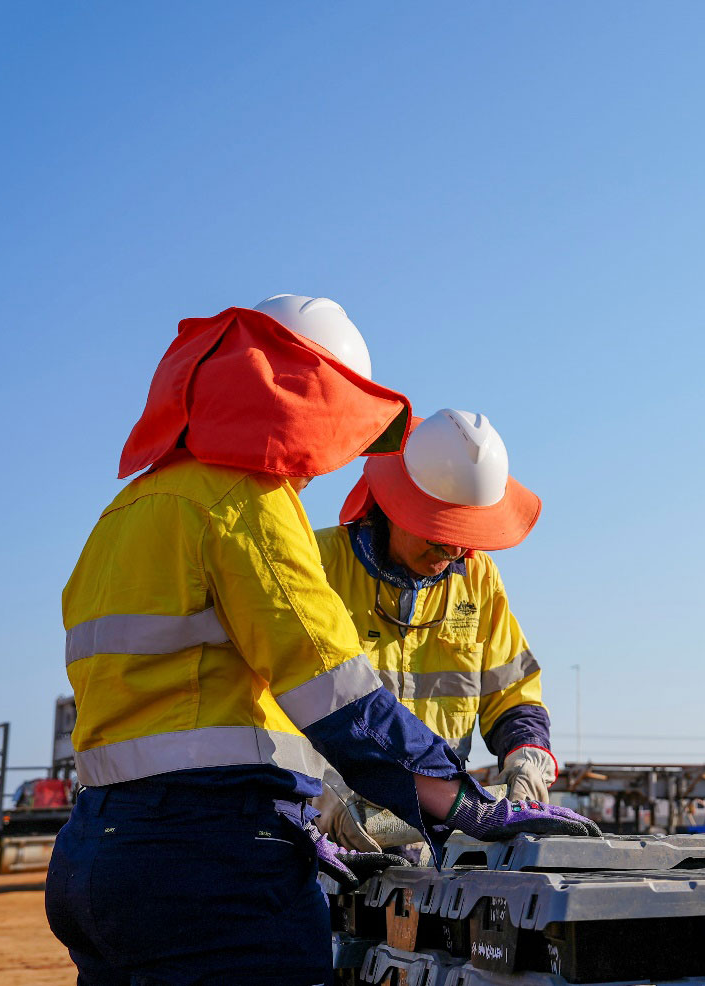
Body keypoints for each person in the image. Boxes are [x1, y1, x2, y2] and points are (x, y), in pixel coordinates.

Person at [50, 296, 598, 986]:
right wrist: (466, 807)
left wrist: (517, 761)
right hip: (210, 857)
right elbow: (339, 700)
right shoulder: (245, 507)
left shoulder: (131, 508)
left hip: (98, 851)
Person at [313, 409, 560, 849]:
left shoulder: (479, 579)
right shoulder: (316, 565)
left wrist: (527, 763)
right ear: (394, 505)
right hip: (322, 833)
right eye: (439, 533)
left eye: (464, 536)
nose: (451, 550)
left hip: (433, 831)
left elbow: (512, 694)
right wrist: (319, 797)